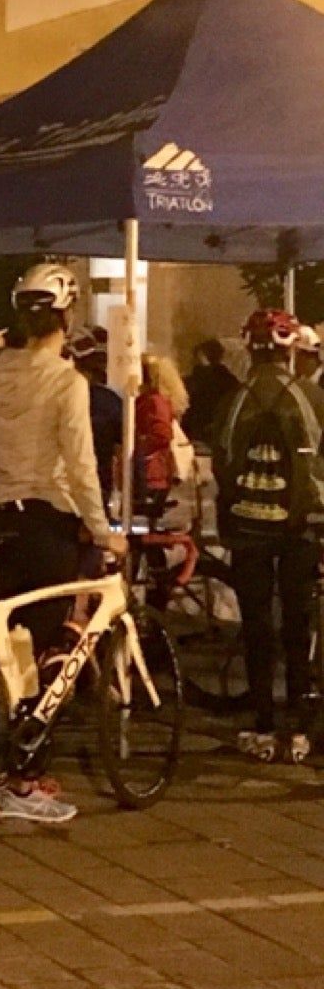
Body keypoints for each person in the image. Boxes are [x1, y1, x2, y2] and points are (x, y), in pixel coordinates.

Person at [0, 265, 125, 826]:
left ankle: (3, 767)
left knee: (11, 649)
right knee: (49, 649)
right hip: (47, 520)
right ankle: (25, 780)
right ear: (66, 316)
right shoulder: (67, 382)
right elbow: (83, 466)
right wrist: (103, 527)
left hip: (0, 518)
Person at [212, 309, 324, 764]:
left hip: (247, 526)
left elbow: (221, 458)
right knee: (297, 621)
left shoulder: (234, 398)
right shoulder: (311, 396)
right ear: (289, 347)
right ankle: (298, 724)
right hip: (300, 526)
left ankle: (261, 723)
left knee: (257, 624)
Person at [65, 326, 122, 515]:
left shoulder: (56, 397)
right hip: (96, 484)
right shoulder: (110, 401)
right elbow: (129, 447)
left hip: (60, 487)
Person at [135, 353, 189, 521]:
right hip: (156, 471)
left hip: (152, 471)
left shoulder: (153, 402)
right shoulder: (160, 400)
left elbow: (162, 434)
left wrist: (138, 448)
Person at [183, 338, 239, 441]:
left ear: (202, 356)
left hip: (197, 432)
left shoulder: (197, 381)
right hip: (219, 433)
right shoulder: (230, 381)